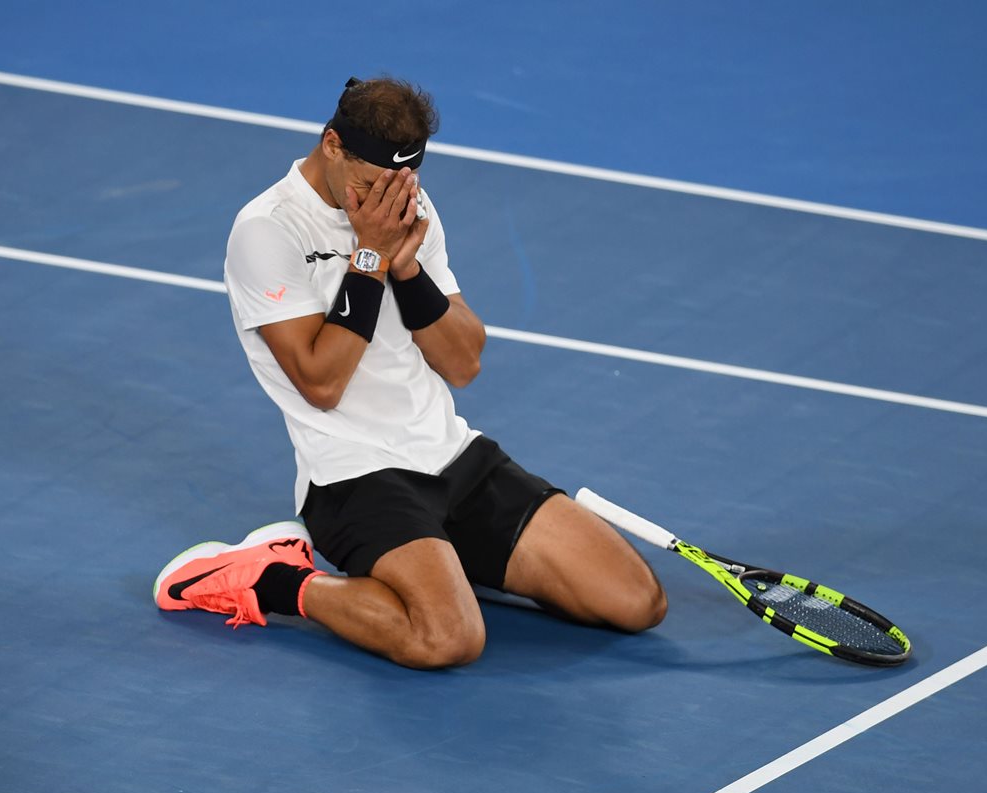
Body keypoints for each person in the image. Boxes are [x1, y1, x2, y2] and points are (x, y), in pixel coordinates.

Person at [154, 76, 666, 669]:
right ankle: (270, 577)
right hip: (353, 478)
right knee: (447, 638)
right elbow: (321, 385)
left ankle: (444, 556)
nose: (385, 202)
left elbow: (463, 361)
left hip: (449, 455)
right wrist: (370, 257)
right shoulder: (267, 229)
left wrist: (406, 266)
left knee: (637, 602)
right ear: (332, 145)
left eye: (402, 185)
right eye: (371, 185)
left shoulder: (407, 207)